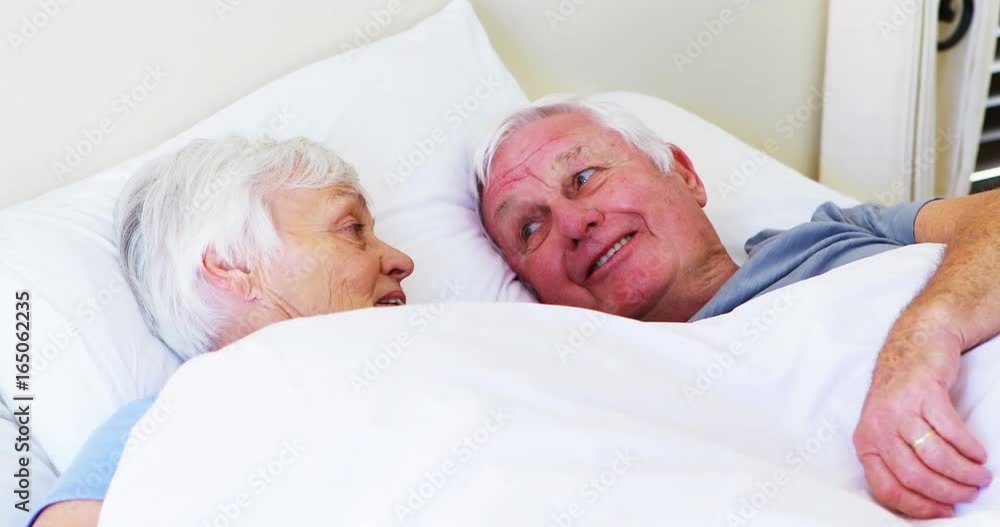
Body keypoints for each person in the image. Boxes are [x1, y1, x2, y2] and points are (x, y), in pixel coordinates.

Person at [473, 95, 1000, 520]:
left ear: (684, 174)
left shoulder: (836, 230)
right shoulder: (605, 399)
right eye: (530, 227)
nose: (573, 222)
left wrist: (923, 342)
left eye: (584, 177)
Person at [30, 137, 414, 527]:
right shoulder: (164, 425)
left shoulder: (429, 351)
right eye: (352, 228)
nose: (403, 261)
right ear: (233, 264)